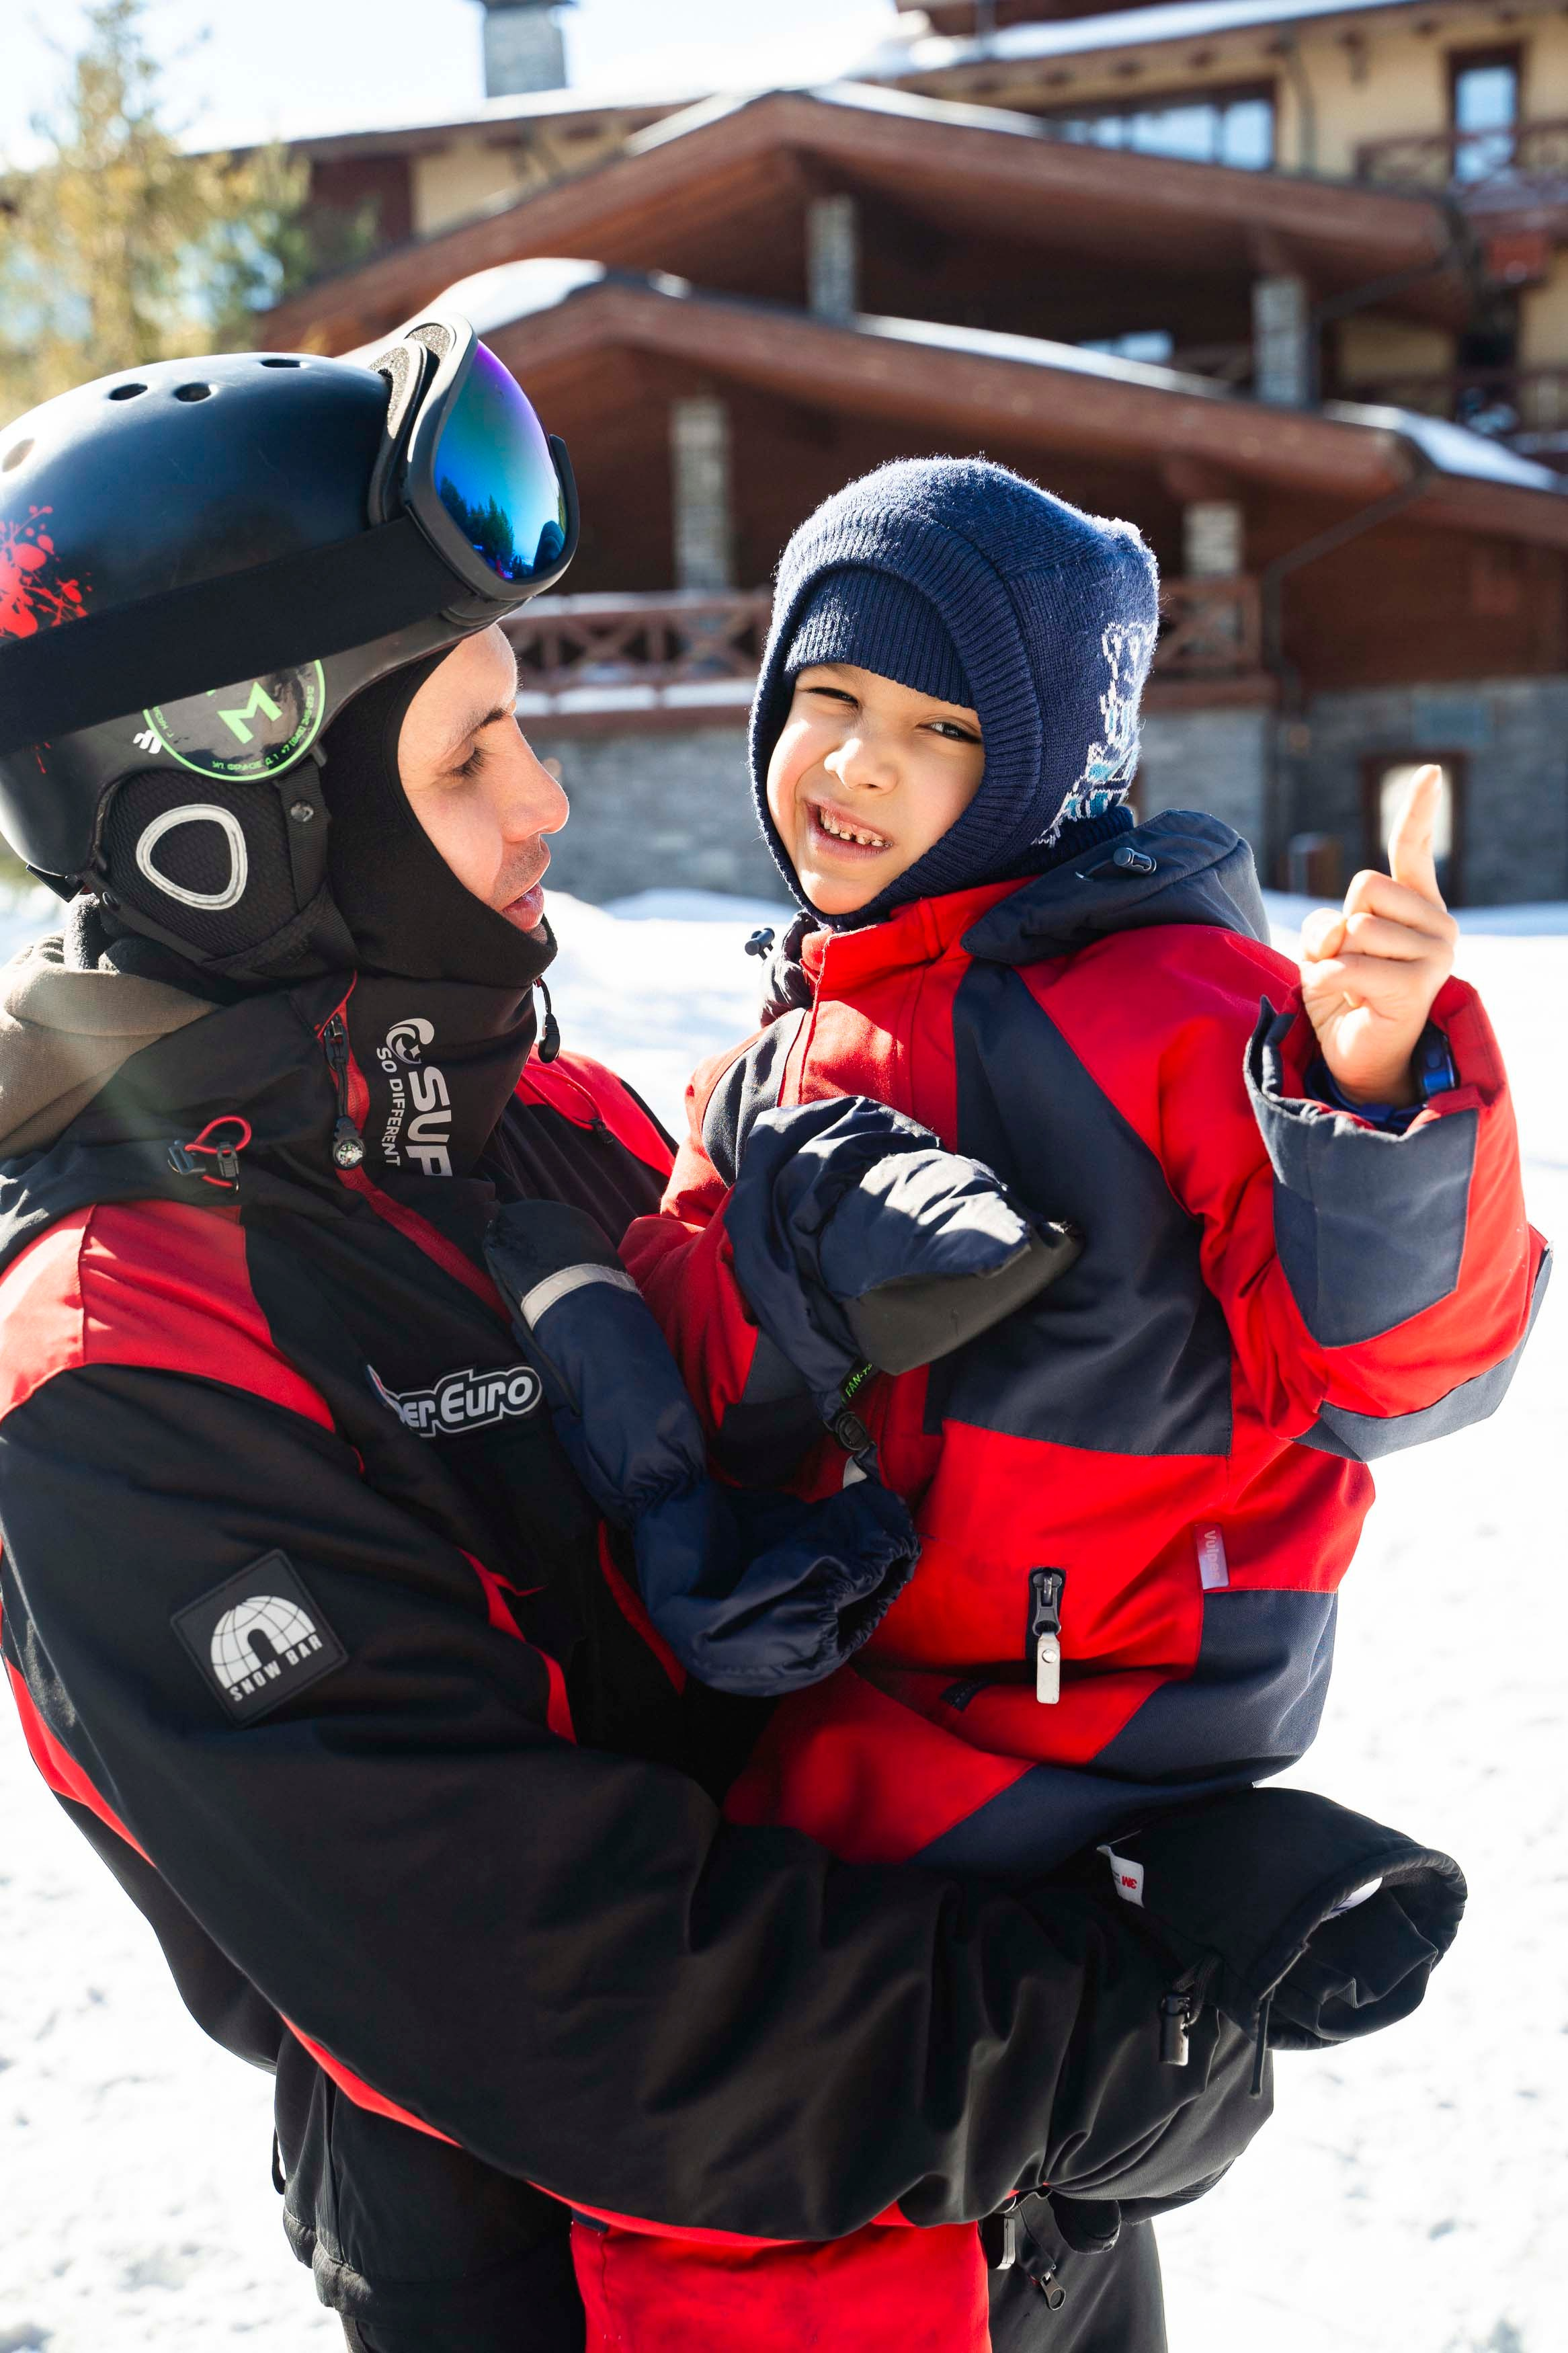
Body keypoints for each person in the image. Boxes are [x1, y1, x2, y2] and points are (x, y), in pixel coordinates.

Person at [0, 331, 1359, 2353]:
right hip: (609, 2289)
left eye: (519, 719)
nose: (547, 797)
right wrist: (1096, 2032)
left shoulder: (548, 1134)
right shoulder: (119, 1359)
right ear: (228, 822)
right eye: (465, 757)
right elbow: (549, 1977)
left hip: (996, 2241)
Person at [620, 457, 1549, 2340]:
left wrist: (1372, 1098)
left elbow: (1404, 1368)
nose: (856, 767)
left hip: (1089, 1717)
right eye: (828, 701)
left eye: (937, 729)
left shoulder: (1176, 1010)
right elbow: (704, 1338)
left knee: (809, 2154)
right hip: (894, 1697)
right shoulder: (792, 1038)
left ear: (1052, 767)